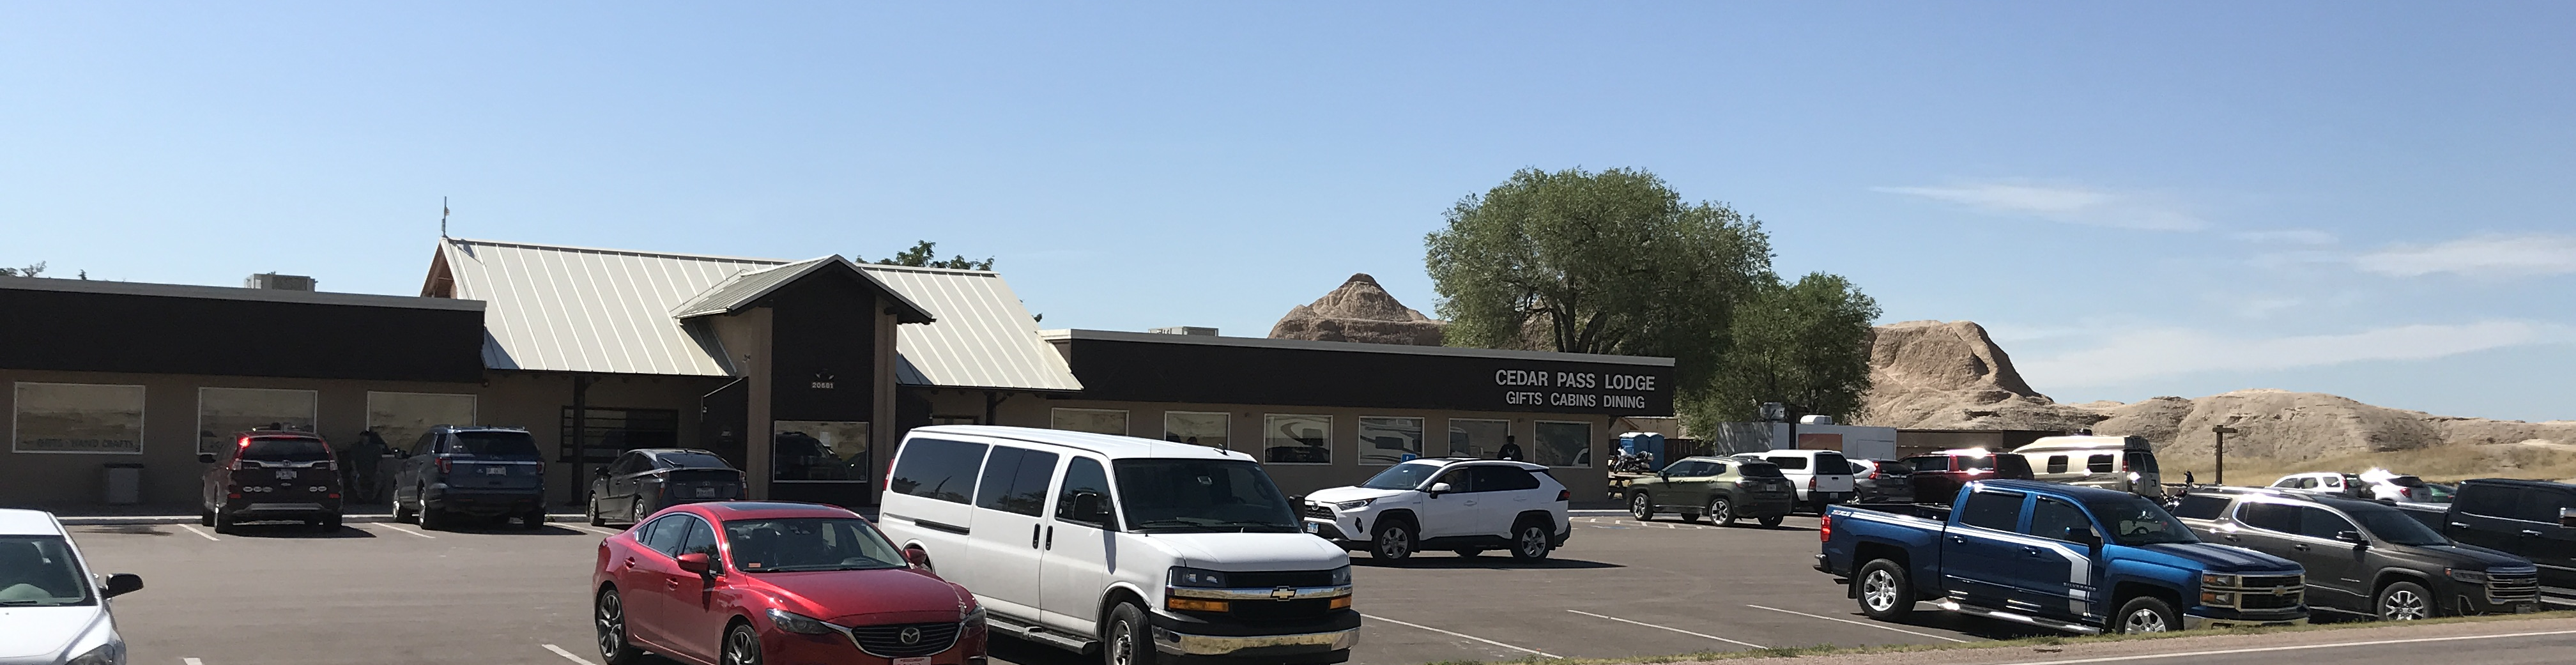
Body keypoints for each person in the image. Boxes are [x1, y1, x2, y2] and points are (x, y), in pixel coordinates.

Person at [346, 430, 388, 503]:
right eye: (363, 436)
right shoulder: (356, 447)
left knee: (381, 477)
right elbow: (353, 460)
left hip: (372, 471)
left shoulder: (375, 447)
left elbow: (379, 460)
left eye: (366, 436)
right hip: (360, 471)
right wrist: (355, 470)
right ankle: (360, 497)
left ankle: (374, 498)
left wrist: (378, 471)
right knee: (353, 477)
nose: (364, 438)